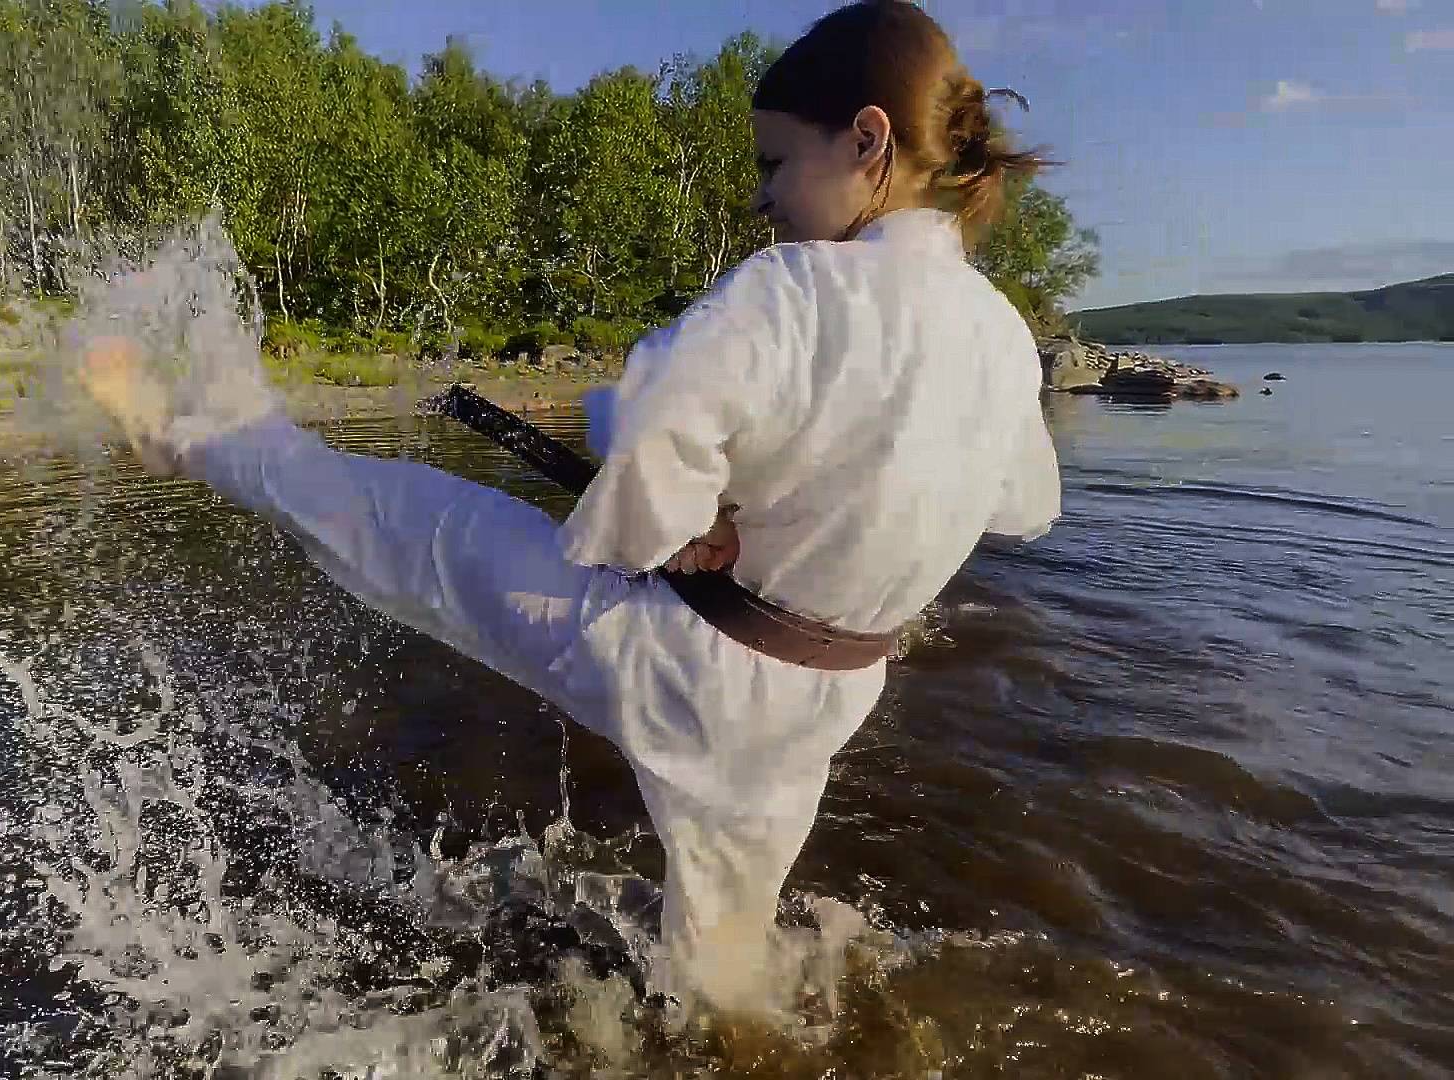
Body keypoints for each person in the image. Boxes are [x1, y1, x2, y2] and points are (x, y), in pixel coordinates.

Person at [77, 0, 1060, 1015]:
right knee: (726, 968)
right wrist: (768, 505)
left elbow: (644, 423)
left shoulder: (800, 287)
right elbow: (1022, 504)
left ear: (867, 138)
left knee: (395, 519)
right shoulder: (1003, 337)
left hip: (679, 665)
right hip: (819, 709)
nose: (765, 200)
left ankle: (186, 436)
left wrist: (674, 525)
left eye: (775, 164)